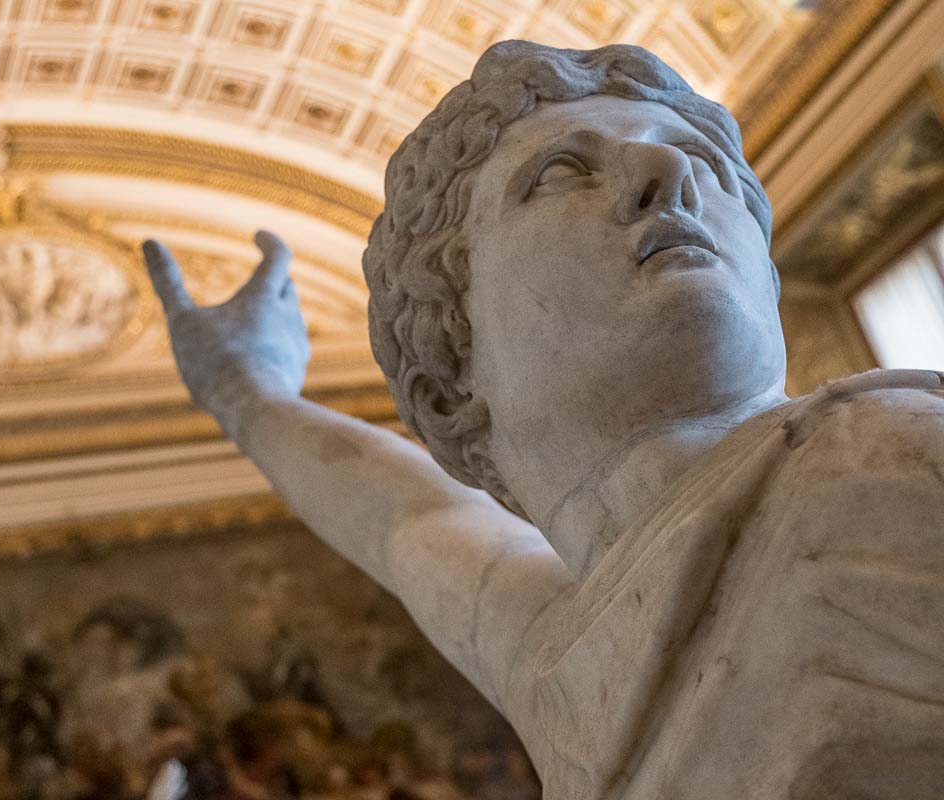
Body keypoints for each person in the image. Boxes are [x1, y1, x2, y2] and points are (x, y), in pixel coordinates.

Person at [144, 41, 944, 798]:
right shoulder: (575, 672)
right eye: (560, 172)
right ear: (453, 378)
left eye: (702, 159)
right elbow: (411, 524)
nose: (669, 171)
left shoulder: (887, 447)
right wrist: (247, 396)